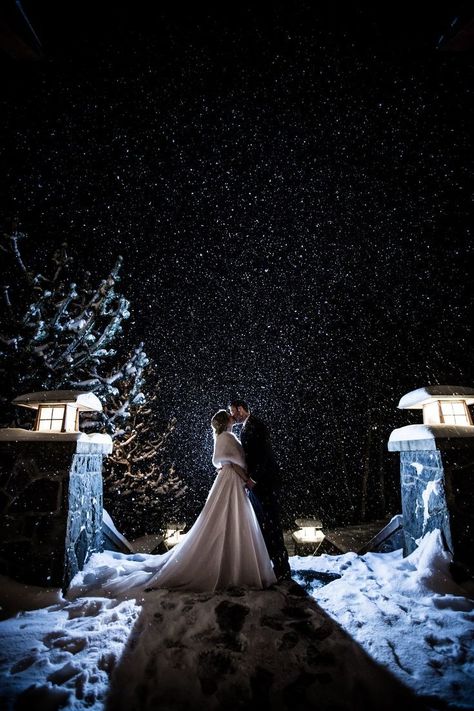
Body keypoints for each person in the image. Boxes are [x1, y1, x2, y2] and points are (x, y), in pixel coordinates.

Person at [139, 409, 276, 592]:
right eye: (228, 415)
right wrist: (246, 479)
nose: (232, 416)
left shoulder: (221, 437)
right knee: (235, 515)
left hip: (225, 478)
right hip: (232, 478)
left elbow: (223, 461)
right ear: (225, 421)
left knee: (223, 516)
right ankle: (236, 564)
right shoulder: (228, 437)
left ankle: (225, 560)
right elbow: (235, 463)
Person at [228, 399, 291, 582]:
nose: (233, 415)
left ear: (240, 409)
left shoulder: (257, 425)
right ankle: (272, 565)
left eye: (233, 411)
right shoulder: (248, 426)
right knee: (264, 525)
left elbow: (264, 457)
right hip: (258, 484)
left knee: (272, 524)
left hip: (265, 483)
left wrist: (253, 479)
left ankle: (282, 568)